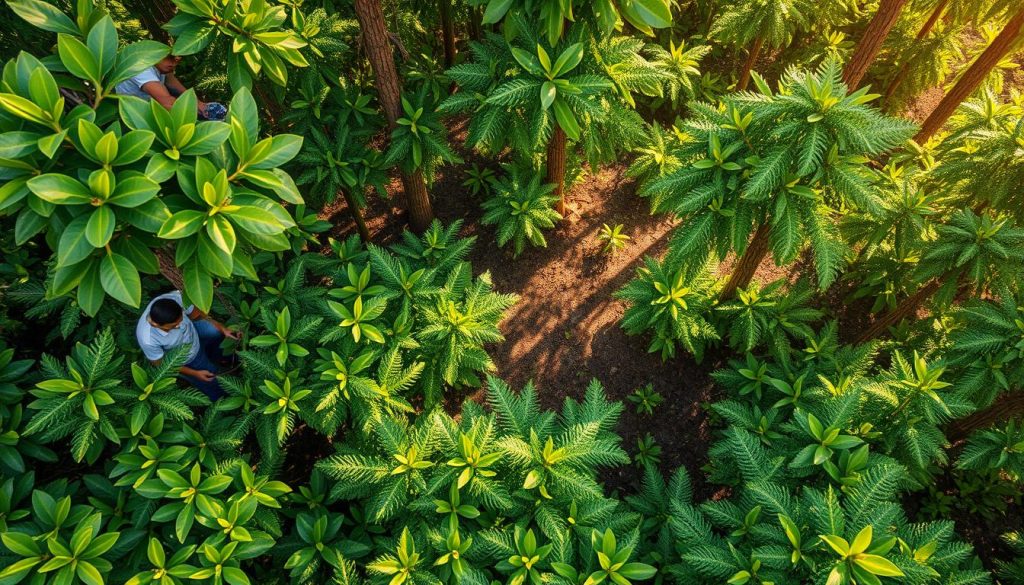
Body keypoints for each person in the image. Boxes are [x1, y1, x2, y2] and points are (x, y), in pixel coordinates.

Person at [136, 290, 240, 400]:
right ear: (156, 325)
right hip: (188, 357)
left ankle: (221, 358)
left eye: (181, 320)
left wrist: (222, 328)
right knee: (211, 378)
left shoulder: (175, 299)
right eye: (174, 325)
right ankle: (224, 399)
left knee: (215, 332)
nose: (180, 326)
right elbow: (161, 363)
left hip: (194, 330)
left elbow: (197, 315)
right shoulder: (148, 339)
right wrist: (194, 373)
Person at [114, 54, 226, 120]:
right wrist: (201, 118)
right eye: (170, 58)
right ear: (156, 54)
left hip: (150, 105)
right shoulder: (142, 69)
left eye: (177, 60)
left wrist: (200, 104)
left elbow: (173, 84)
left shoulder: (162, 67)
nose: (174, 63)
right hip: (134, 114)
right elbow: (167, 103)